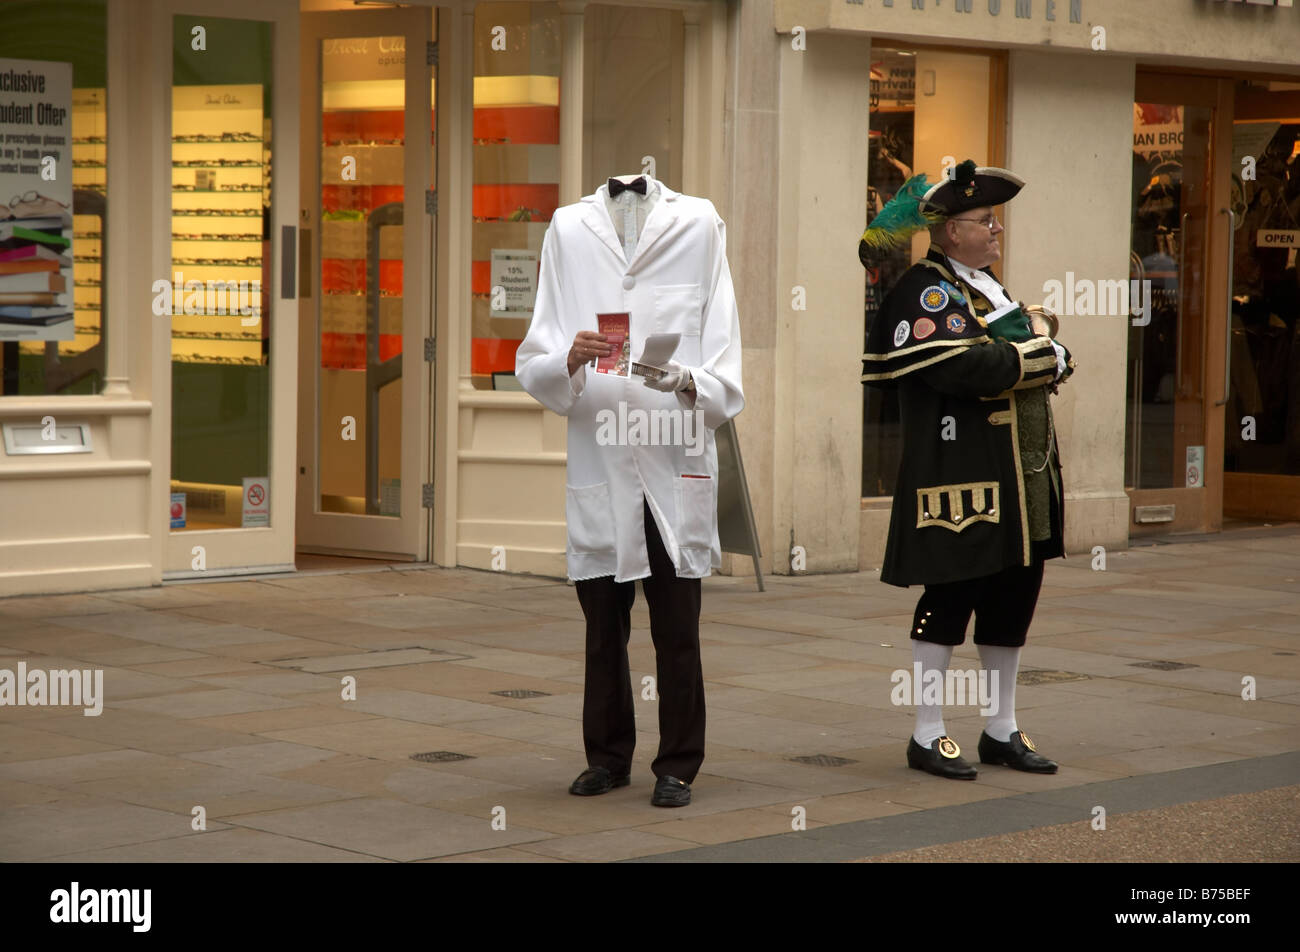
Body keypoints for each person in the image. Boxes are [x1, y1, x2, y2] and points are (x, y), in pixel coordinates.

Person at [516, 173, 744, 806]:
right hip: (602, 457)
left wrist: (687, 378)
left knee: (678, 627)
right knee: (601, 628)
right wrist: (568, 358)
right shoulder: (568, 227)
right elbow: (533, 353)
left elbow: (724, 351)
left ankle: (677, 764)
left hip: (673, 460)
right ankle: (608, 756)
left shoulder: (699, 223)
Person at [859, 160, 1076, 780]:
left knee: (1014, 596)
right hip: (959, 474)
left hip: (1021, 477)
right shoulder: (926, 290)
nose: (997, 229)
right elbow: (966, 366)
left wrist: (1038, 348)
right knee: (951, 595)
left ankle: (1000, 729)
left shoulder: (985, 287)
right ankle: (927, 734)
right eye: (985, 220)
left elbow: (1027, 348)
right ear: (951, 230)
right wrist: (1041, 352)